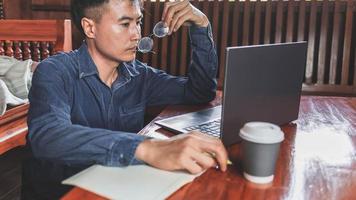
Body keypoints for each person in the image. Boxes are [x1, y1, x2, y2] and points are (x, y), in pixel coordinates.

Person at [23, 0, 227, 198]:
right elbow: (48, 136)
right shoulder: (54, 71)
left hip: (119, 188)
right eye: (124, 24)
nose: (136, 35)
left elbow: (200, 92)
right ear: (90, 28)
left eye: (137, 22)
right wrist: (147, 148)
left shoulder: (140, 76)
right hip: (64, 194)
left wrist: (201, 25)